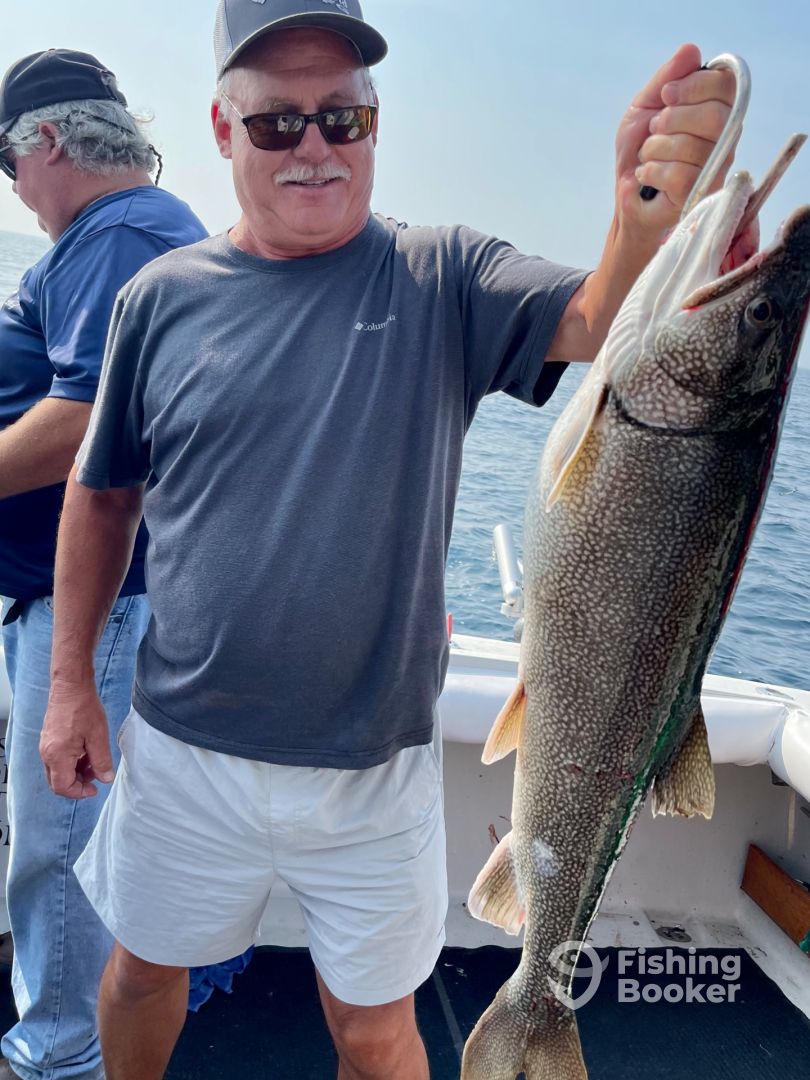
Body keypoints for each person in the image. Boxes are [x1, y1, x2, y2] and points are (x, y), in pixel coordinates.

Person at [40, 2, 743, 1078]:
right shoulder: (157, 300)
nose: (314, 147)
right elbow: (101, 498)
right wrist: (69, 689)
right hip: (183, 747)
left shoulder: (442, 275)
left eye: (344, 117)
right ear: (223, 130)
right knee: (141, 973)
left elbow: (599, 322)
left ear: (376, 122)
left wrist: (643, 219)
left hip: (376, 765)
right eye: (277, 123)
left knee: (373, 1028)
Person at [0, 48, 207, 1080]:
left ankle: (58, 1060)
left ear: (45, 141)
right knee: (65, 840)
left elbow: (85, 419)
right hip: (88, 601)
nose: (14, 190)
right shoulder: (124, 231)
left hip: (98, 605)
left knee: (59, 850)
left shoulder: (115, 232)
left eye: (7, 166)